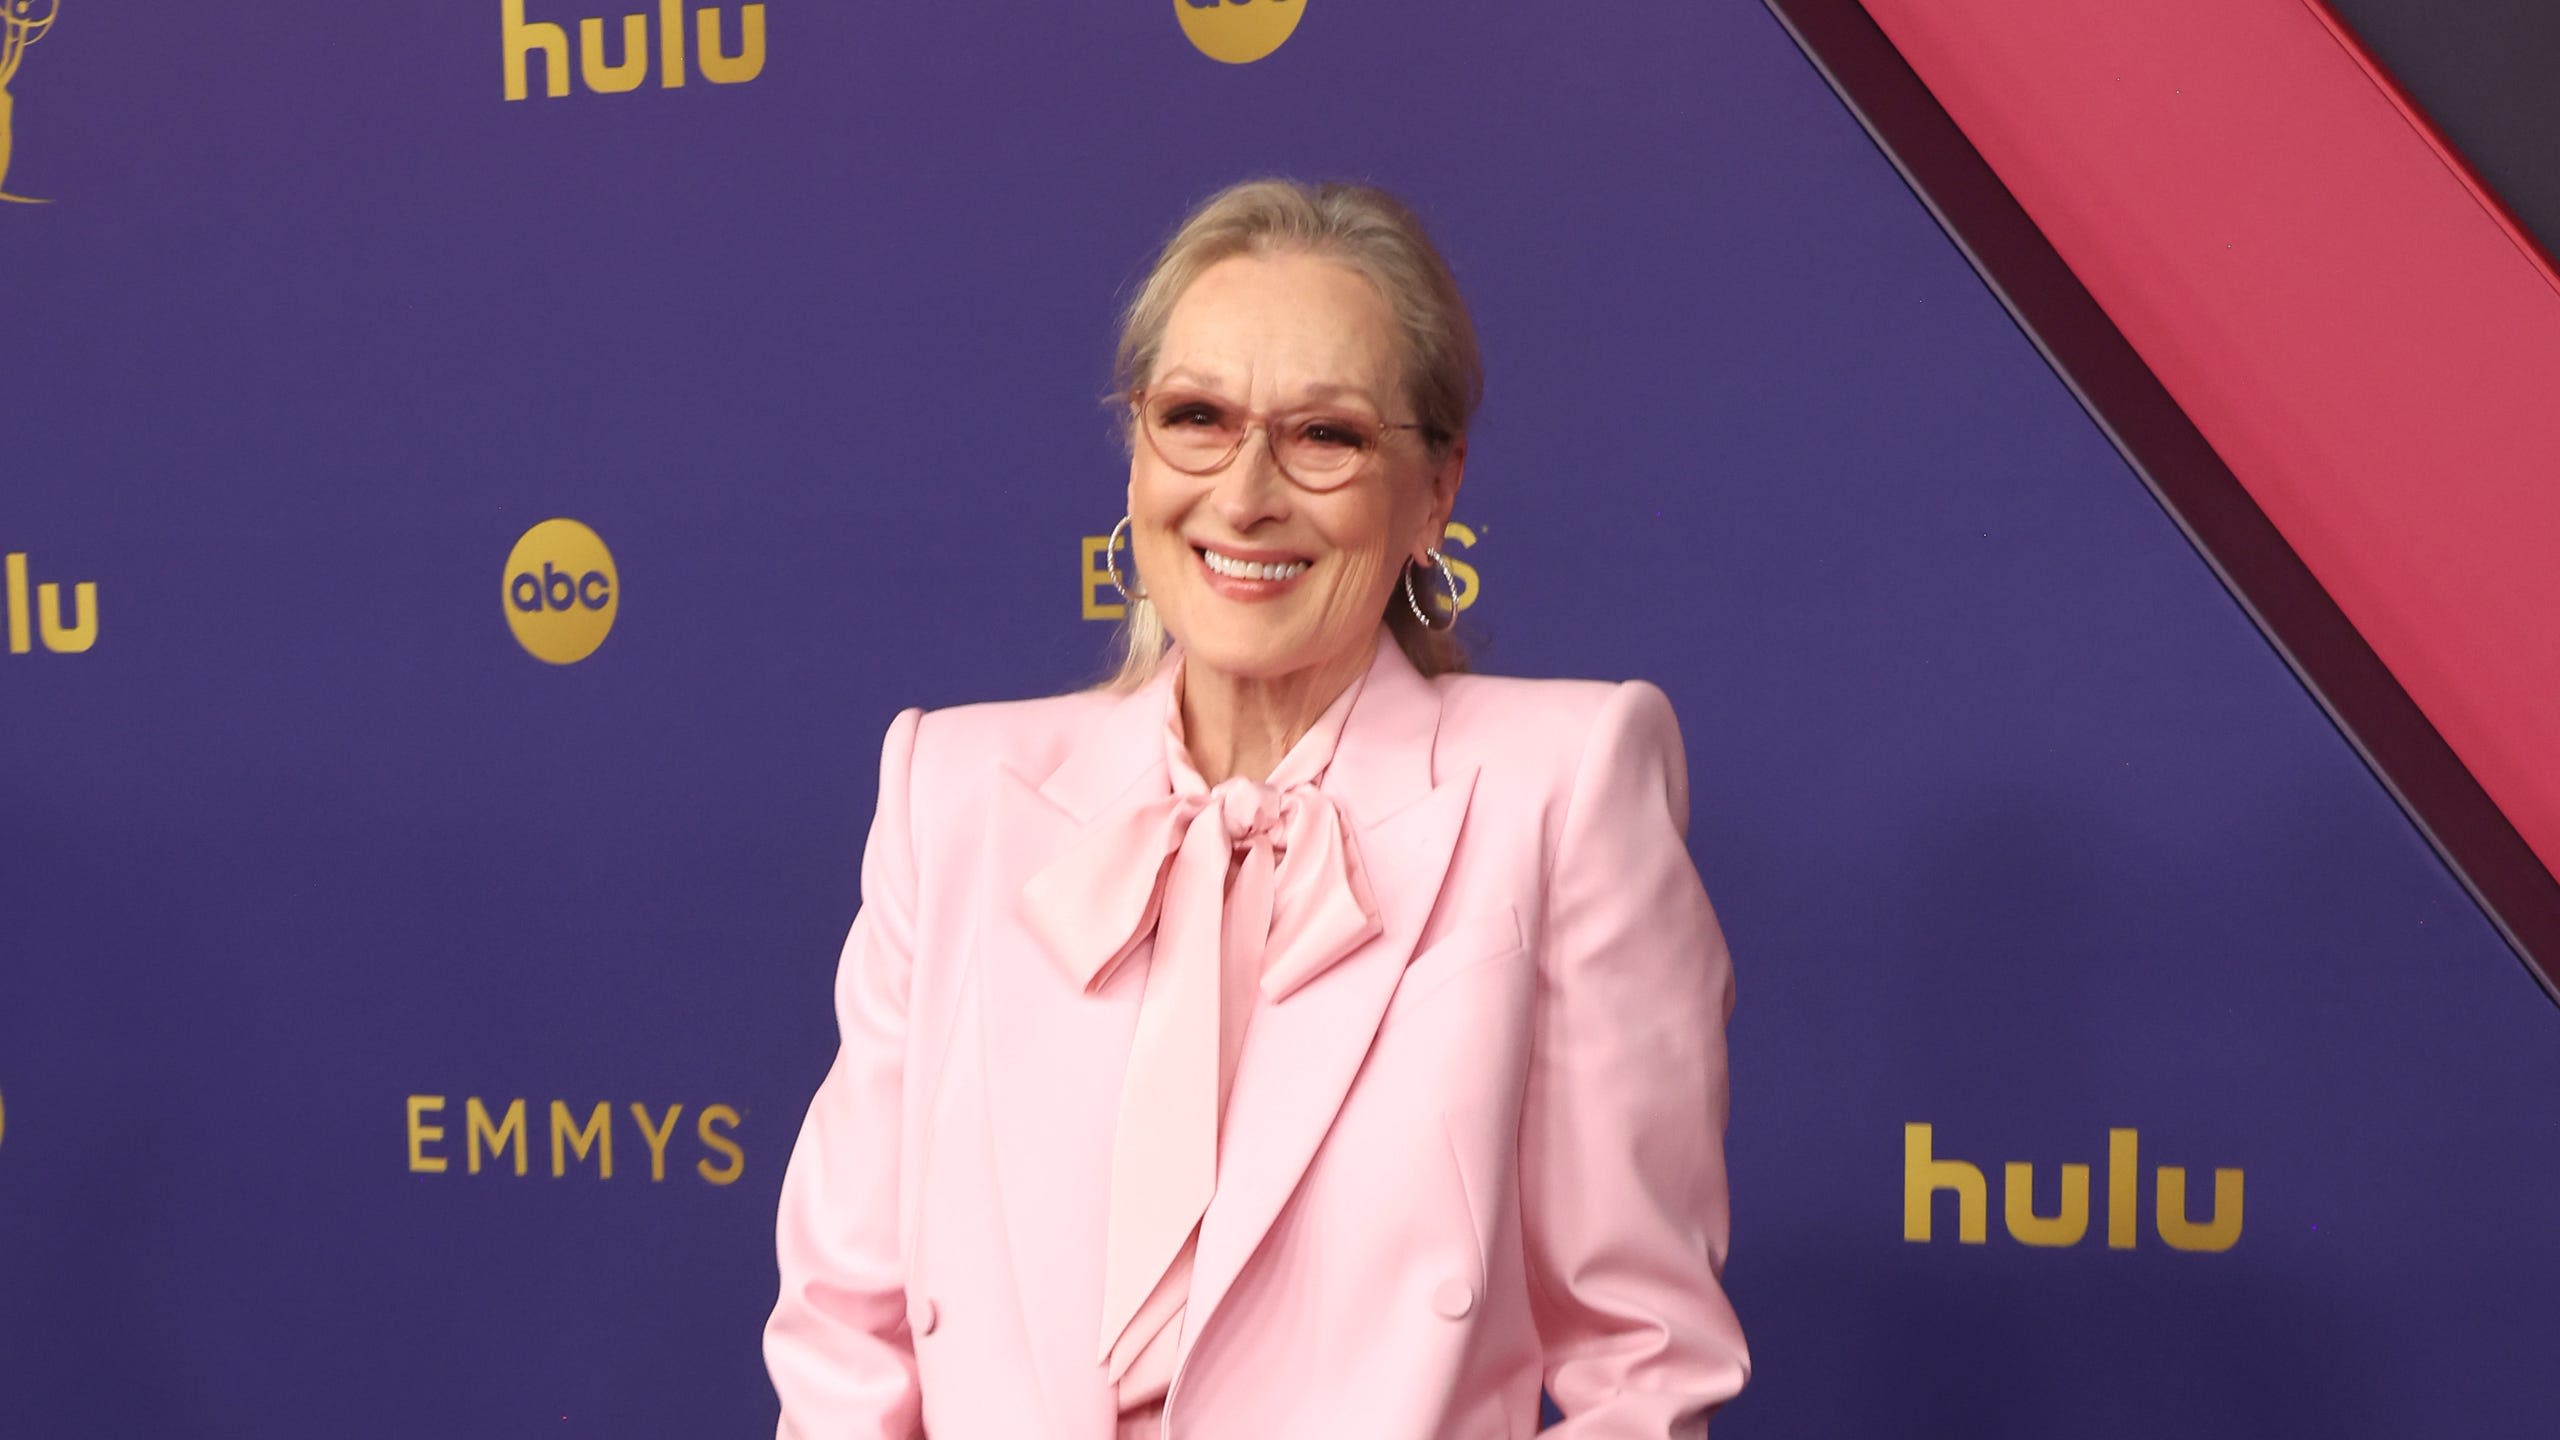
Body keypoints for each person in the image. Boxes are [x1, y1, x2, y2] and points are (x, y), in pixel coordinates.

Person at [764, 178, 1747, 1439]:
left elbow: (1643, 1364)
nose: (1243, 496)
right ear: (1135, 453)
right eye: (1195, 419)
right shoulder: (952, 789)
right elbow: (848, 1328)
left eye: (1324, 436)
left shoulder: (1564, 785)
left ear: (1435, 490)